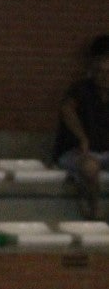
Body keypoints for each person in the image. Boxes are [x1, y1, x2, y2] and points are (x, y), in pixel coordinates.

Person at [53, 34, 109, 220]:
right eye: (101, 72)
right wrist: (82, 138)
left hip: (104, 152)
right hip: (77, 152)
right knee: (90, 167)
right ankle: (94, 210)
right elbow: (67, 110)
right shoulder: (81, 90)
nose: (105, 77)